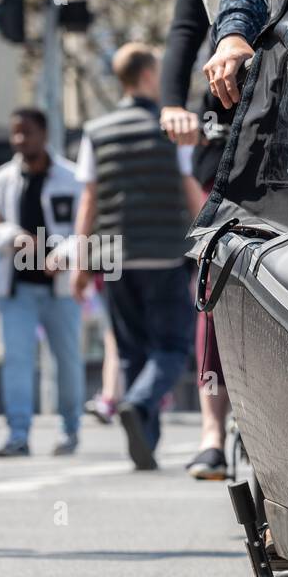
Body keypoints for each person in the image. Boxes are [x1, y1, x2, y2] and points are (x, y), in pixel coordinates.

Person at [71, 43, 206, 470]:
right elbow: (190, 191)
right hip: (164, 254)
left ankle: (144, 440)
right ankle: (140, 401)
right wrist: (210, 241)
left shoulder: (96, 131)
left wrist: (81, 261)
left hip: (113, 256)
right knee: (173, 344)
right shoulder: (172, 127)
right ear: (149, 76)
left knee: (130, 350)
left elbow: (88, 202)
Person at [163, 0, 237, 480]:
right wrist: (171, 103)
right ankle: (212, 431)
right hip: (225, 125)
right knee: (214, 276)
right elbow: (186, 29)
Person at [0, 107, 85, 457]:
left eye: (27, 133)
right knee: (17, 362)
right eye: (15, 133)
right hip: (17, 288)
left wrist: (65, 252)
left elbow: (88, 226)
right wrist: (10, 235)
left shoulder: (72, 177)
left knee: (67, 362)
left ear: (45, 135)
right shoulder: (3, 180)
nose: (20, 140)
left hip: (61, 289)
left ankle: (70, 431)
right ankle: (18, 435)